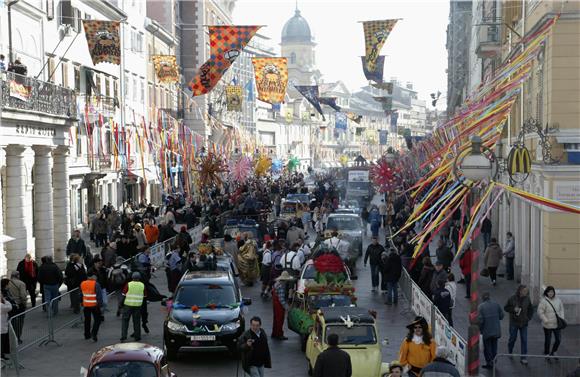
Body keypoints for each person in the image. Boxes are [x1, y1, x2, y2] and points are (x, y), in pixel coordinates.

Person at [504, 284, 534, 365]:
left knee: (524, 340)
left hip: (524, 323)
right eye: (525, 291)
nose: (526, 292)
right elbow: (506, 308)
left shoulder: (527, 299)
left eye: (527, 291)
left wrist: (528, 318)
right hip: (514, 322)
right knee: (512, 339)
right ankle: (510, 351)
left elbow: (531, 309)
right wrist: (514, 309)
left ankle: (523, 357)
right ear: (520, 291)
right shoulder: (512, 298)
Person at [537, 285, 565, 358]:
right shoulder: (543, 301)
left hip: (557, 324)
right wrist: (545, 320)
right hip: (547, 324)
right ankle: (547, 353)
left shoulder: (558, 300)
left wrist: (561, 318)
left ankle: (554, 351)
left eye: (552, 292)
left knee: (558, 340)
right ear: (546, 293)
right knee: (548, 340)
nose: (551, 293)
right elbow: (540, 312)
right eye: (549, 292)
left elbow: (561, 309)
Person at [478, 291, 504, 369]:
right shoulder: (496, 304)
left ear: (482, 298)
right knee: (494, 346)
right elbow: (502, 316)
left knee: (487, 348)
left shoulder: (481, 307)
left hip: (486, 331)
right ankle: (494, 360)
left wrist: (479, 329)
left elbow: (480, 320)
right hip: (496, 330)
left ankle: (489, 362)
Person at [120, 272, 146, 342]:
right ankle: (137, 336)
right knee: (136, 321)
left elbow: (123, 295)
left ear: (132, 277)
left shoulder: (128, 284)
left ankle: (123, 336)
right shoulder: (142, 285)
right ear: (139, 278)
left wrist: (121, 304)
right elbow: (145, 296)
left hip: (128, 306)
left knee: (125, 321)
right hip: (137, 306)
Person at [271, 271, 293, 340]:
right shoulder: (282, 286)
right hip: (279, 305)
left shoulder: (277, 283)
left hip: (275, 303)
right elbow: (281, 299)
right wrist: (287, 307)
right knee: (280, 320)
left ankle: (274, 333)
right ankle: (279, 334)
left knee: (275, 319)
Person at [80, 273, 103, 342]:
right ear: (92, 276)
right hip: (94, 305)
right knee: (97, 320)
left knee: (87, 320)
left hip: (86, 305)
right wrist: (100, 305)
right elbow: (99, 296)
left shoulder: (82, 283)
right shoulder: (96, 284)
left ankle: (87, 335)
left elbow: (81, 294)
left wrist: (81, 302)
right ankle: (94, 333)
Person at [1, 293, 12, 360]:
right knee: (2, 341)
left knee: (3, 341)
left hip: (3, 326)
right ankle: (1, 355)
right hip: (2, 327)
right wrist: (4, 300)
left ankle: (3, 353)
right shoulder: (1, 305)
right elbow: (9, 307)